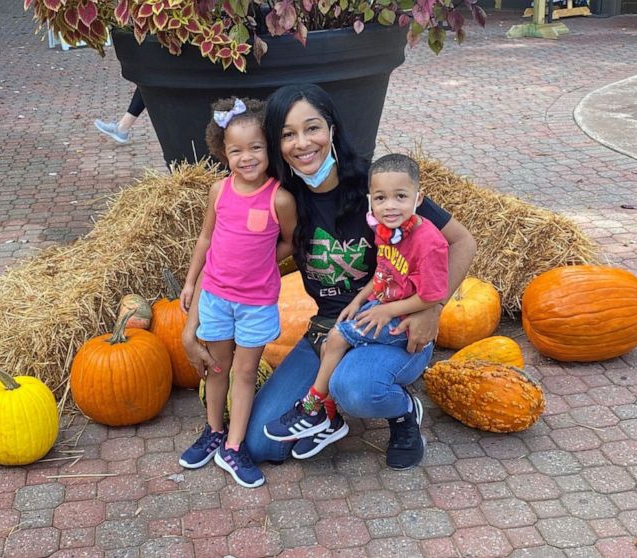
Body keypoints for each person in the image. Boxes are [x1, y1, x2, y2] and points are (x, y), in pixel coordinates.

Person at [182, 84, 477, 471]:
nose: (303, 143)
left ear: (332, 129)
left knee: (355, 388)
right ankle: (328, 412)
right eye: (288, 134)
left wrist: (432, 308)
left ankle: (402, 412)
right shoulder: (283, 200)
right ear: (276, 144)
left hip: (390, 325)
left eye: (312, 128)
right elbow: (227, 259)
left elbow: (462, 242)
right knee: (259, 444)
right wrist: (191, 326)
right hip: (325, 331)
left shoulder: (377, 188)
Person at [263, 153, 449, 443]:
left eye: (400, 197)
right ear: (370, 200)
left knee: (336, 340)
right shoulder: (385, 231)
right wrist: (359, 300)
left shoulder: (430, 242)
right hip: (382, 305)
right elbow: (383, 275)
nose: (390, 206)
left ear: (418, 198)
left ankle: (314, 408)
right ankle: (329, 416)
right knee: (332, 343)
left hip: (401, 320)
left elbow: (432, 295)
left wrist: (389, 311)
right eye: (381, 198)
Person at [176, 96, 297, 488]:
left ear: (269, 148)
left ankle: (233, 444)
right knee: (216, 369)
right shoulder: (219, 191)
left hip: (255, 305)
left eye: (255, 148)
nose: (247, 157)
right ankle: (213, 431)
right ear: (222, 151)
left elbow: (290, 243)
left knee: (245, 374)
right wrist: (192, 281)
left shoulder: (279, 197)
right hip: (215, 299)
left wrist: (263, 263)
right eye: (236, 150)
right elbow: (206, 238)